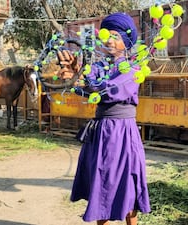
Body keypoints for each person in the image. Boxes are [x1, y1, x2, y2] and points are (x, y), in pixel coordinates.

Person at [57, 12, 150, 225]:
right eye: (107, 34)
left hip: (123, 133)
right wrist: (72, 79)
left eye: (116, 36)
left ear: (126, 42)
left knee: (128, 183)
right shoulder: (100, 68)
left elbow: (108, 91)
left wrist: (80, 72)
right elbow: (91, 93)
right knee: (101, 185)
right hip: (101, 132)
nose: (109, 40)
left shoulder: (134, 69)